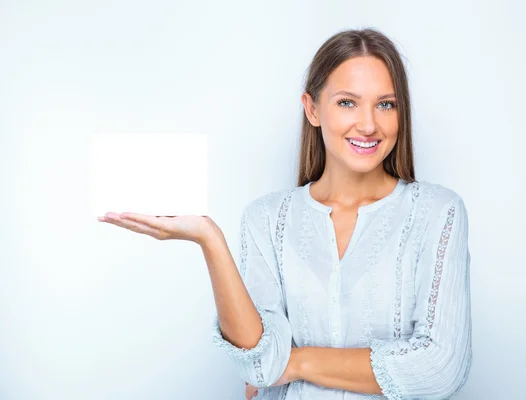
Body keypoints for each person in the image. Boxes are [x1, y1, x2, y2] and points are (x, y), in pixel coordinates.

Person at [98, 28, 472, 400]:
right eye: (347, 102)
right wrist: (208, 238)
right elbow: (259, 365)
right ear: (312, 109)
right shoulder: (266, 219)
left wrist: (295, 363)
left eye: (386, 104)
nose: (369, 124)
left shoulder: (437, 213)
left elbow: (439, 368)